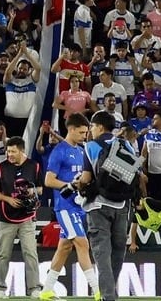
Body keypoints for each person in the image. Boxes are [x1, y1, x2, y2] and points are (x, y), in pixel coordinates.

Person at [84, 110, 142, 301]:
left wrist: (77, 185)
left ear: (100, 127)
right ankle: (110, 293)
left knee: (102, 253)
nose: (91, 130)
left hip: (98, 205)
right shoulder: (126, 144)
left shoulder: (90, 146)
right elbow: (136, 172)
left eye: (92, 126)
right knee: (118, 251)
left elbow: (86, 178)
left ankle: (108, 296)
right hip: (122, 204)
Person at [41, 114, 99, 301]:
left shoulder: (82, 151)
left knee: (64, 248)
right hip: (65, 207)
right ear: (71, 129)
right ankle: (98, 291)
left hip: (80, 205)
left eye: (86, 132)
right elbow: (48, 181)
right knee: (82, 243)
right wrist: (70, 186)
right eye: (81, 132)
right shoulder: (59, 151)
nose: (84, 136)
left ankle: (46, 291)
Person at [0, 136, 42, 298]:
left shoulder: (34, 166)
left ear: (22, 151)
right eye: (8, 151)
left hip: (27, 217)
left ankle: (34, 288)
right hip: (6, 217)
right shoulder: (1, 167)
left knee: (30, 253)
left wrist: (32, 191)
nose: (9, 154)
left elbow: (40, 189)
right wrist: (8, 199)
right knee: (3, 253)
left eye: (13, 151)